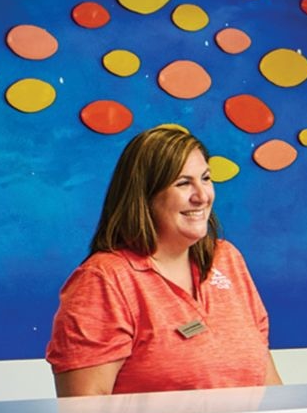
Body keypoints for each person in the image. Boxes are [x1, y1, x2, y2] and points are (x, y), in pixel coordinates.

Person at [46, 123, 281, 397]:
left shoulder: (227, 259)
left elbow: (269, 387)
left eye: (205, 178)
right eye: (183, 183)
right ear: (144, 196)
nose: (202, 196)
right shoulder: (104, 280)